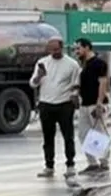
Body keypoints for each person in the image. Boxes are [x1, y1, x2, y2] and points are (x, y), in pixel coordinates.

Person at [31, 38, 81, 178]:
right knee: (48, 137)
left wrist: (74, 96)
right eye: (51, 49)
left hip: (64, 104)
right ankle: (49, 166)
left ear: (62, 48)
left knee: (68, 136)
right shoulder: (42, 63)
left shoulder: (72, 65)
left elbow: (76, 84)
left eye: (56, 49)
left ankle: (70, 164)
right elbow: (33, 83)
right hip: (46, 104)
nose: (54, 52)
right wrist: (38, 76)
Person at [74, 38, 111, 174]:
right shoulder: (84, 65)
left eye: (78, 48)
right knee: (83, 134)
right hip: (84, 104)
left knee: (99, 134)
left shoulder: (99, 63)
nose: (76, 51)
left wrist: (99, 103)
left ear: (87, 48)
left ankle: (104, 163)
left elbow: (102, 83)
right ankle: (92, 163)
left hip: (95, 105)